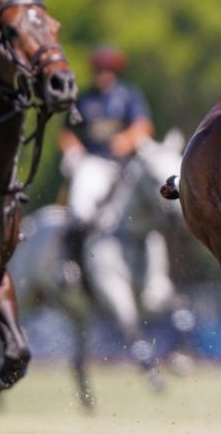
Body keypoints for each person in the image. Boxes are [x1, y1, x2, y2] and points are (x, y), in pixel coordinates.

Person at [57, 45, 154, 281]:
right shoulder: (84, 100)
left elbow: (143, 126)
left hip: (125, 165)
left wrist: (127, 139)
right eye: (99, 70)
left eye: (107, 70)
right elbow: (66, 133)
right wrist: (74, 150)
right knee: (80, 207)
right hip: (95, 164)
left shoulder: (128, 95)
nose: (102, 74)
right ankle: (73, 262)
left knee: (154, 202)